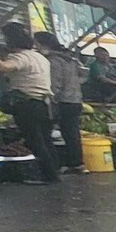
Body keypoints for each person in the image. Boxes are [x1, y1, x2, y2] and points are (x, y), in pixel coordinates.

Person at [0, 20, 57, 183]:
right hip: (45, 105)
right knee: (46, 141)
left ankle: (48, 176)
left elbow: (3, 67)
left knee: (36, 142)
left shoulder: (21, 57)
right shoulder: (39, 57)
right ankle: (53, 175)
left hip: (28, 105)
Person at [33, 32, 85, 173]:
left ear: (44, 44)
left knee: (63, 133)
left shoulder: (54, 60)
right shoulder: (70, 59)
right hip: (75, 99)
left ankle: (67, 164)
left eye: (36, 43)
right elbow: (83, 76)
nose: (35, 46)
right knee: (72, 133)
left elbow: (55, 84)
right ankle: (77, 163)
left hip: (63, 101)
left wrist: (50, 98)